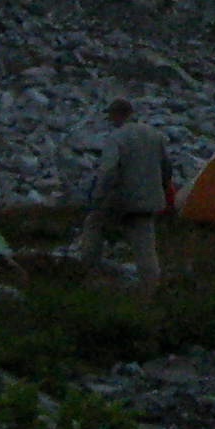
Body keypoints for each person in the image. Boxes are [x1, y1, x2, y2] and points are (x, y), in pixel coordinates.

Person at [73, 98, 170, 288]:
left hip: (123, 200)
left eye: (111, 116)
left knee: (94, 225)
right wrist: (162, 189)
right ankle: (151, 288)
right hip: (149, 200)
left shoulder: (116, 137)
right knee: (145, 246)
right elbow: (166, 167)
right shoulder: (154, 134)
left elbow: (108, 170)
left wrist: (98, 198)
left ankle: (88, 272)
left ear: (116, 115)